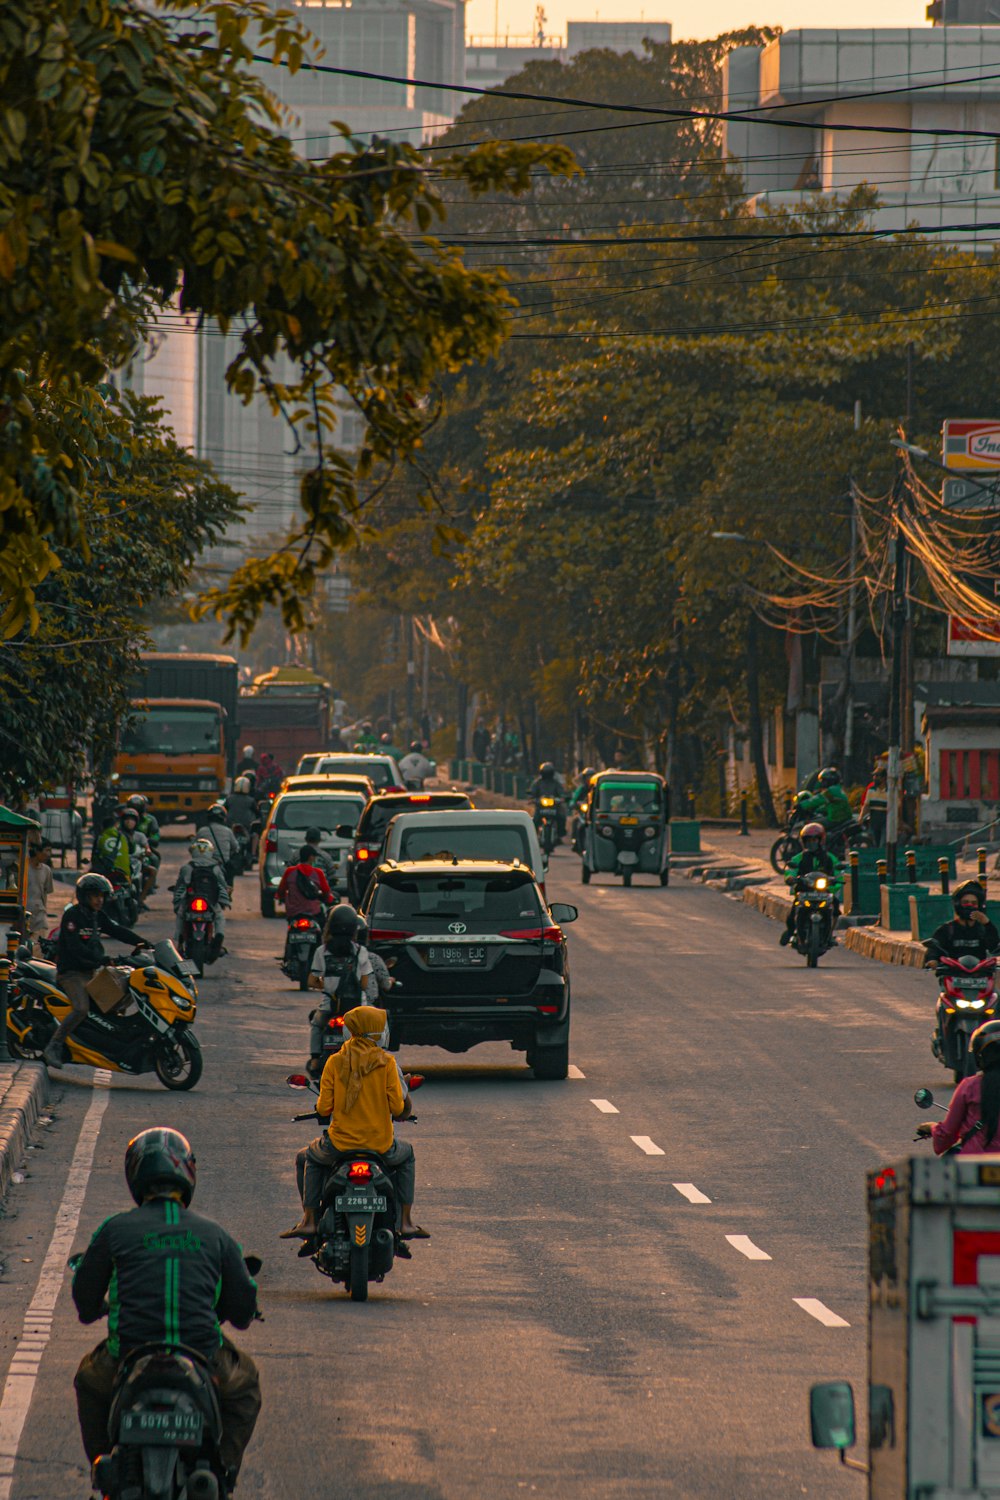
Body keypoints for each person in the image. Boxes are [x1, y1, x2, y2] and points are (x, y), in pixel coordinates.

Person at [72, 1127, 261, 1480]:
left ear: (135, 1175)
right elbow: (243, 1309)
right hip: (202, 1356)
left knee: (88, 1380)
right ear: (187, 1173)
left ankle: (104, 1468)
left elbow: (84, 1302)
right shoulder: (215, 1234)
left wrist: (99, 1306)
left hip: (127, 1355)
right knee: (245, 1384)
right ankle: (222, 1469)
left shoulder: (114, 1229)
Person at [281, 1004, 427, 1244]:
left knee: (307, 1158)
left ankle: (309, 1220)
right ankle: (406, 1222)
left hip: (339, 1145)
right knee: (407, 1155)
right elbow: (399, 1109)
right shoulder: (387, 1063)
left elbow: (323, 1108)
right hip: (381, 1145)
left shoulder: (335, 1062)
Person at [44, 874, 144, 1066]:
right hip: (72, 974)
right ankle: (54, 1045)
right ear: (84, 896)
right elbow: (76, 949)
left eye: (102, 896)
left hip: (90, 973)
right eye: (95, 896)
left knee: (119, 997)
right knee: (81, 1008)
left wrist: (142, 942)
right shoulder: (72, 916)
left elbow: (117, 930)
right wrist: (103, 960)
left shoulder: (96, 915)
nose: (100, 900)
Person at [304, 904, 370, 1077]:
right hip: (356, 1007)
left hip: (330, 1006)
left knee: (317, 1025)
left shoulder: (322, 951)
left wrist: (326, 985)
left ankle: (316, 1059)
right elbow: (364, 984)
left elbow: (312, 981)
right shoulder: (361, 951)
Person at [917, 1020, 1000, 1154]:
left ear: (979, 1055)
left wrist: (933, 1128)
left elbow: (947, 1134)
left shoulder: (969, 1087)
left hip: (972, 1166)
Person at [779, 822, 843, 946]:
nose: (811, 843)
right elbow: (790, 869)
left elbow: (838, 871)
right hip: (804, 890)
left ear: (820, 840)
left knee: (835, 906)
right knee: (794, 910)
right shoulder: (799, 857)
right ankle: (791, 931)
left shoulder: (829, 858)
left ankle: (829, 934)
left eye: (814, 840)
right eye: (808, 840)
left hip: (824, 891)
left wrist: (836, 880)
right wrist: (791, 878)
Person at [174, 838, 230, 959]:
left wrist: (177, 900)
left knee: (180, 914)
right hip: (210, 901)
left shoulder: (187, 867)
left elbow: (180, 884)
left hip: (190, 900)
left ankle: (178, 944)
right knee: (219, 916)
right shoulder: (216, 868)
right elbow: (223, 885)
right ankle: (219, 938)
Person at [923, 880, 1000, 966]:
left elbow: (994, 947)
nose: (970, 905)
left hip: (980, 974)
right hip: (953, 973)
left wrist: (987, 923)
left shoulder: (983, 929)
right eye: (965, 902)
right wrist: (932, 960)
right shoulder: (947, 929)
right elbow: (934, 949)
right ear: (958, 904)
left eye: (974, 903)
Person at [278, 844, 333, 924]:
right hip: (313, 912)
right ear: (310, 857)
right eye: (314, 857)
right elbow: (326, 891)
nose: (315, 859)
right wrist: (329, 899)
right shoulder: (318, 873)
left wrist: (282, 898)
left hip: (293, 912)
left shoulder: (289, 872)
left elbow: (281, 891)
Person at [127, 794, 161, 903]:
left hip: (144, 848)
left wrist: (151, 840)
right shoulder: (124, 819)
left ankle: (150, 885)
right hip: (126, 849)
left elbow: (155, 834)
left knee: (155, 859)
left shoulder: (150, 820)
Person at [93, 804, 139, 882]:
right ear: (115, 825)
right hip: (125, 876)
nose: (129, 822)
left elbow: (94, 857)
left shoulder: (100, 838)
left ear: (102, 827)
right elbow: (132, 850)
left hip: (106, 875)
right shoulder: (124, 836)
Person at [197, 803, 240, 886]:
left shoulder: (202, 831)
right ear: (223, 818)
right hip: (223, 866)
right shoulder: (228, 831)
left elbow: (192, 848)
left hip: (203, 865)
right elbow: (236, 848)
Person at [530, 761, 566, 839]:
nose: (547, 775)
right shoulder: (537, 783)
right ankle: (533, 836)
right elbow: (532, 793)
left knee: (561, 817)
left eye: (548, 773)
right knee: (535, 820)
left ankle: (560, 834)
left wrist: (561, 799)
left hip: (554, 807)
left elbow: (562, 793)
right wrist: (533, 799)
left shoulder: (556, 783)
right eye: (545, 773)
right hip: (541, 807)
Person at [26, 840, 54, 941]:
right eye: (47, 850)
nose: (49, 854)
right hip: (24, 915)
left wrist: (44, 910)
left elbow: (45, 893)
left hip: (39, 916)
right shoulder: (22, 868)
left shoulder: (47, 870)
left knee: (39, 947)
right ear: (37, 851)